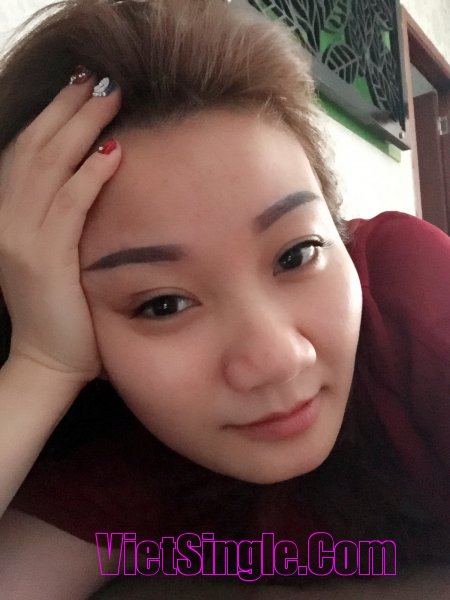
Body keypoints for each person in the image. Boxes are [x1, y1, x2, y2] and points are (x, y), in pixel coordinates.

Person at [0, 0, 448, 598]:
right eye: (163, 304)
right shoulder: (124, 454)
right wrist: (42, 363)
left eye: (297, 254)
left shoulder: (407, 287)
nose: (277, 359)